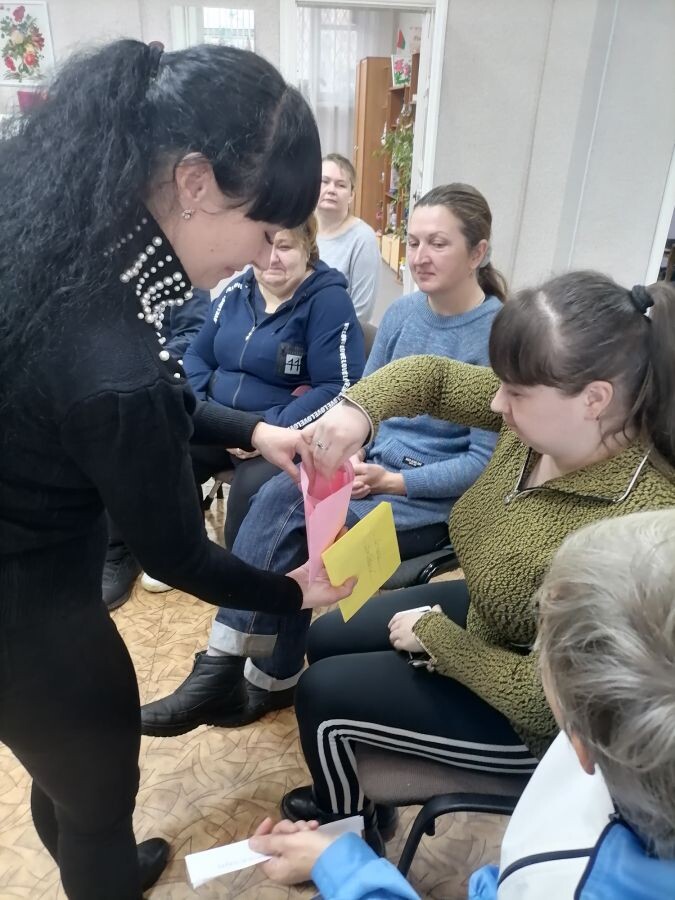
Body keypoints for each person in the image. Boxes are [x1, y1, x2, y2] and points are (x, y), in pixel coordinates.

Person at [0, 39, 354, 900]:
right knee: (97, 795)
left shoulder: (74, 242)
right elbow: (178, 553)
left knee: (68, 778)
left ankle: (100, 859)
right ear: (194, 182)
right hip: (30, 618)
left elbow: (145, 396)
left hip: (28, 585)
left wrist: (257, 429)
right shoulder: (110, 353)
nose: (264, 255)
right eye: (262, 228)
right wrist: (291, 592)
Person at [274, 273, 675, 847]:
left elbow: (555, 705)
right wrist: (357, 411)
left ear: (595, 398)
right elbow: (432, 378)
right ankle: (357, 791)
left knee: (322, 693)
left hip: (533, 722)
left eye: (515, 392)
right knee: (327, 635)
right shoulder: (543, 425)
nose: (495, 402)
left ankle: (349, 836)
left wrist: (441, 640)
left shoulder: (637, 529)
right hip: (493, 608)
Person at [140, 183, 505, 745]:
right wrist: (351, 452)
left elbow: (483, 463)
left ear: (478, 251)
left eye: (439, 243)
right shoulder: (404, 313)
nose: (420, 257)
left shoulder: (500, 334)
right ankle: (266, 675)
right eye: (412, 242)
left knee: (291, 515)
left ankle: (231, 663)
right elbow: (366, 403)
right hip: (370, 469)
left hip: (425, 498)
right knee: (292, 500)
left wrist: (395, 481)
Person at [248, 510, 675, 900]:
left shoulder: (562, 882)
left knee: (323, 690)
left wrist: (341, 867)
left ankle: (357, 826)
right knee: (328, 648)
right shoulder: (622, 740)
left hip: (511, 722)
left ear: (579, 739)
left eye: (542, 642)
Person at [185, 215, 365, 549]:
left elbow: (338, 387)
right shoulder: (237, 291)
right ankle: (177, 552)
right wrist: (201, 411)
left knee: (252, 494)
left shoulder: (328, 302)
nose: (272, 258)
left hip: (282, 432)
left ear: (307, 249)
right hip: (222, 422)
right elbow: (196, 356)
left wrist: (265, 428)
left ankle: (241, 572)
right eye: (263, 245)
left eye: (285, 247)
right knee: (164, 452)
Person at [103, 288, 211, 608]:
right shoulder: (99, 275)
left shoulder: (182, 273)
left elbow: (194, 335)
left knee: (131, 423)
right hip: (112, 380)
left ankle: (159, 546)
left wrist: (141, 363)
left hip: (165, 376)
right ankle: (116, 546)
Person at [316, 153, 380, 325]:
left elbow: (361, 313)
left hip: (336, 332)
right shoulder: (299, 230)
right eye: (324, 181)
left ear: (351, 195)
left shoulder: (363, 239)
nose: (331, 190)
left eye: (341, 185)